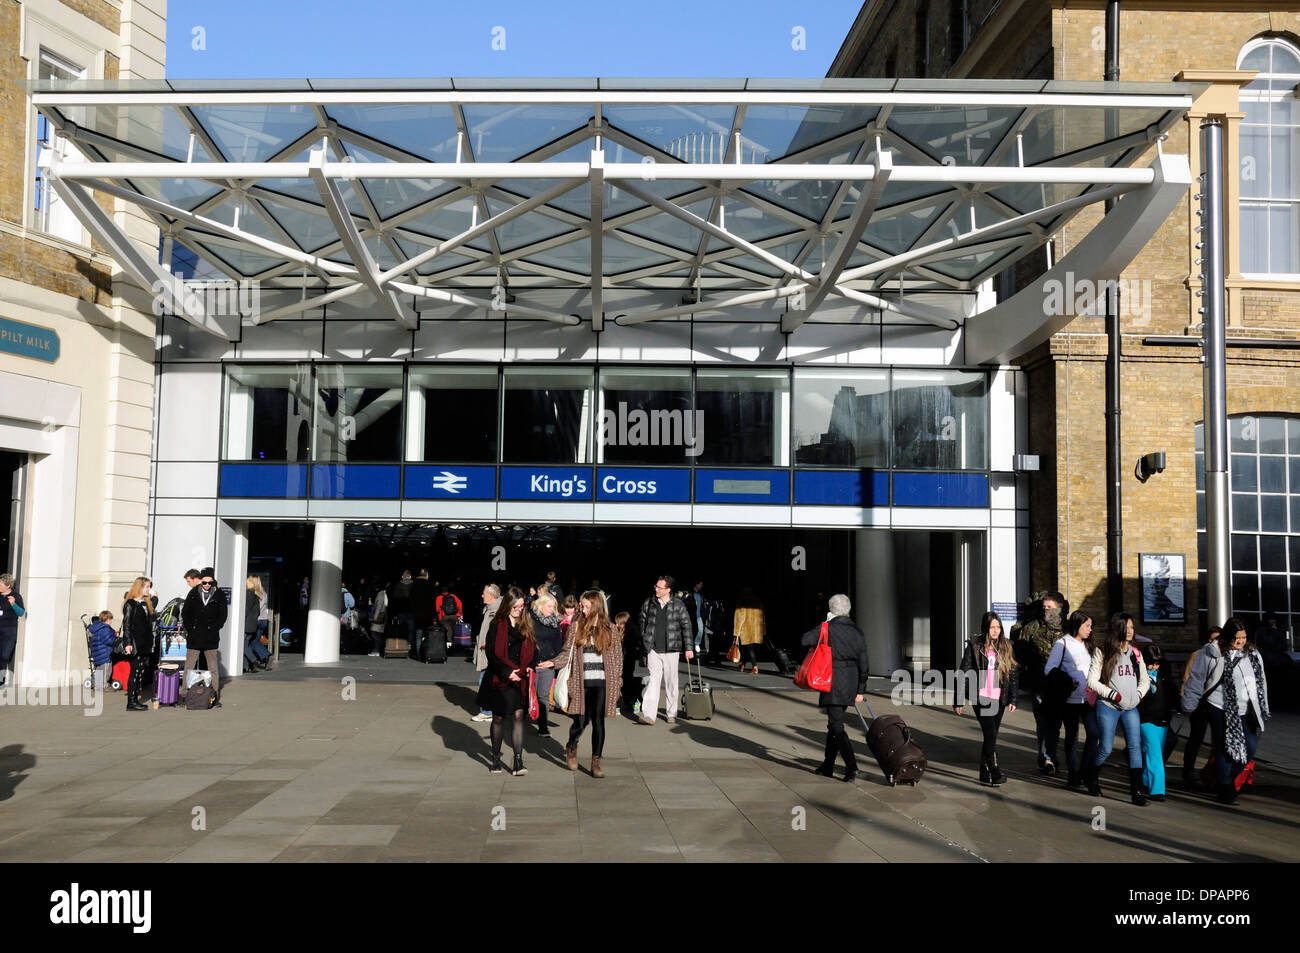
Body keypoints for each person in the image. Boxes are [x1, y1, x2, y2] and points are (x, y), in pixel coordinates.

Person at [539, 590, 623, 778]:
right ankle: (571, 745)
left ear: (596, 606)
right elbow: (566, 651)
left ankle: (596, 762)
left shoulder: (610, 628)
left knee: (599, 722)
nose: (582, 610)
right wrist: (553, 662)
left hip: (602, 682)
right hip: (581, 681)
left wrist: (617, 682)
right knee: (580, 720)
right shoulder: (576, 626)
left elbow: (618, 659)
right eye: (581, 606)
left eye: (585, 606)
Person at [1199, 617, 1270, 806]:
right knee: (1224, 748)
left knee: (1251, 747)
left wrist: (1264, 707)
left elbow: (1260, 680)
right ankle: (1225, 787)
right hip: (1219, 706)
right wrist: (1189, 704)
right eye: (1237, 637)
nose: (1240, 641)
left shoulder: (1253, 653)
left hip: (1246, 708)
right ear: (1228, 636)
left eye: (1244, 637)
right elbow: (1197, 677)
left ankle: (1227, 778)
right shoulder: (1214, 652)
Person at [1084, 613, 1150, 805]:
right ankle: (1091, 777)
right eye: (1126, 627)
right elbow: (1091, 681)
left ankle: (1136, 792)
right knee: (1105, 747)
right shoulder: (1103, 651)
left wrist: (1138, 694)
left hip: (1131, 708)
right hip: (1108, 706)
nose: (1129, 631)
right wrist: (1113, 694)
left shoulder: (1136, 653)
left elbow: (1145, 679)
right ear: (1117, 628)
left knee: (1134, 747)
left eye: (1131, 627)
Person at [802, 594, 869, 781]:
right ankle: (827, 765)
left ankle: (852, 766)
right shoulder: (858, 631)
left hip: (832, 680)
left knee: (837, 725)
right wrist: (861, 689)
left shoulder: (828, 628)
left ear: (831, 610)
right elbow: (864, 663)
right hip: (851, 681)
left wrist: (825, 624)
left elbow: (805, 640)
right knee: (833, 724)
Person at [476, 586, 536, 776]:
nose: (519, 610)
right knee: (499, 717)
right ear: (508, 605)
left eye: (521, 607)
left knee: (519, 716)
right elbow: (492, 654)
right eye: (515, 607)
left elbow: (534, 649)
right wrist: (507, 672)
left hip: (521, 677)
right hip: (500, 677)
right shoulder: (497, 624)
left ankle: (518, 760)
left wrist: (529, 666)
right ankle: (495, 758)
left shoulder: (526, 622)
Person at [954, 610, 1019, 785]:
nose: (996, 630)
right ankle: (995, 771)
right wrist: (958, 699)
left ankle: (984, 773)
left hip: (998, 698)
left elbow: (1013, 673)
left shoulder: (1006, 646)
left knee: (991, 736)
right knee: (990, 733)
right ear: (985, 628)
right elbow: (964, 672)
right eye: (992, 627)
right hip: (980, 697)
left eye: (998, 627)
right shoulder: (975, 646)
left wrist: (1013, 698)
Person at [1011, 591, 1066, 774]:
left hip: (1062, 686)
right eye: (1044, 608)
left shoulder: (1067, 629)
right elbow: (1017, 645)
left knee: (1055, 724)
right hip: (1040, 683)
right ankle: (1046, 758)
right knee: (1043, 723)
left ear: (1059, 608)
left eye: (1049, 608)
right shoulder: (1034, 626)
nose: (1045, 611)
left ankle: (1051, 755)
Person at [1042, 610, 1094, 789]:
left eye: (1091, 626)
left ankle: (1085, 771)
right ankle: (1073, 774)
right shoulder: (1062, 643)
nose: (1090, 629)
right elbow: (1050, 669)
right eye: (1087, 625)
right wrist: (1067, 682)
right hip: (1069, 700)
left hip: (1088, 699)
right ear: (1077, 625)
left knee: (1094, 734)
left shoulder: (1089, 645)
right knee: (1072, 736)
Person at [636, 574, 694, 726]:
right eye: (656, 586)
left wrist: (689, 648)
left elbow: (686, 626)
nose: (656, 589)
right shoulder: (649, 603)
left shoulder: (678, 605)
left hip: (671, 650)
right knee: (653, 682)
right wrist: (644, 639)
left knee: (671, 683)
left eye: (659, 587)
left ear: (668, 589)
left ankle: (671, 713)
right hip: (653, 649)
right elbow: (641, 621)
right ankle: (649, 715)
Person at [1180, 625, 1221, 789]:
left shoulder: (1226, 655)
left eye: (1218, 638)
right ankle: (1188, 771)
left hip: (1218, 704)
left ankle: (1214, 772)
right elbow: (1187, 679)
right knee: (1196, 738)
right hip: (1200, 705)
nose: (1215, 642)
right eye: (1212, 639)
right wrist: (1187, 704)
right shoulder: (1198, 655)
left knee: (1218, 740)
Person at [181, 567, 227, 707]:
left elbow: (223, 615)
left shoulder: (219, 595)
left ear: (213, 582)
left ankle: (214, 695)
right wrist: (191, 628)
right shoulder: (193, 593)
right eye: (204, 582)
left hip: (211, 637)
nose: (207, 585)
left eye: (209, 583)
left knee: (213, 667)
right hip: (195, 636)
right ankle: (184, 694)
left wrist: (214, 628)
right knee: (189, 666)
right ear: (201, 581)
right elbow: (185, 613)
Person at [1137, 642, 1172, 802]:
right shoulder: (1138, 675)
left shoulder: (1164, 674)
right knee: (1155, 754)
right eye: (1151, 663)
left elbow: (1172, 694)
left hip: (1162, 720)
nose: (1154, 666)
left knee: (1150, 753)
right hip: (1145, 719)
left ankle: (1145, 781)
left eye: (1157, 663)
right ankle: (1157, 789)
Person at [530, 591, 564, 737]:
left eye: (554, 606)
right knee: (531, 694)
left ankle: (543, 727)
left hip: (547, 664)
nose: (552, 609)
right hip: (532, 664)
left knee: (543, 695)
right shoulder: (531, 619)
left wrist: (552, 661)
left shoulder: (555, 622)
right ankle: (529, 716)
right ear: (541, 605)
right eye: (549, 606)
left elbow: (559, 645)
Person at [120, 577, 154, 711]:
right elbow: (126, 624)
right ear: (140, 587)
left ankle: (135, 700)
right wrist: (127, 642)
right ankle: (131, 702)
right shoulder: (130, 604)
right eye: (147, 587)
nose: (149, 589)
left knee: (141, 671)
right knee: (135, 671)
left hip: (145, 642)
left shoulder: (146, 603)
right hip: (135, 642)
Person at [472, 583, 500, 722]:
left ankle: (487, 711)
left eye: (484, 593)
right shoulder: (488, 609)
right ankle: (488, 710)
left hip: (490, 653)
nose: (482, 595)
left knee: (485, 680)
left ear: (491, 595)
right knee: (486, 680)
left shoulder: (496, 611)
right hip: (486, 651)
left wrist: (488, 643)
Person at [0, 573, 26, 687]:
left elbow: (21, 613)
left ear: (8, 585)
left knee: (5, 655)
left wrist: (13, 604)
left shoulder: (16, 596)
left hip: (9, 630)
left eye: (1, 584)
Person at [614, 611, 640, 715]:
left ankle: (633, 701)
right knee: (621, 682)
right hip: (620, 660)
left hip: (628, 660)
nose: (616, 625)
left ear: (624, 623)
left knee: (627, 681)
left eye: (618, 623)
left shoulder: (631, 635)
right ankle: (627, 701)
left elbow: (631, 649)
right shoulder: (617, 633)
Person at [733, 589, 765, 675]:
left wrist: (736, 633)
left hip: (746, 629)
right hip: (756, 630)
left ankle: (755, 667)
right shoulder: (758, 602)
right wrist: (763, 630)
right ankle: (743, 665)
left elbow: (739, 619)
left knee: (749, 649)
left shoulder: (742, 603)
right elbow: (763, 618)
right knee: (749, 648)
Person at [244, 575, 268, 673]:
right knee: (252, 642)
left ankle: (259, 658)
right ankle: (247, 666)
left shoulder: (252, 593)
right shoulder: (263, 593)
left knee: (249, 643)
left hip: (255, 621)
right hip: (263, 619)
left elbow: (249, 610)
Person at [88, 610, 117, 687]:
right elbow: (108, 640)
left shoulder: (97, 627)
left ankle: (97, 684)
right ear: (107, 619)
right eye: (111, 619)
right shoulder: (105, 628)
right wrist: (116, 639)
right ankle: (104, 684)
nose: (111, 621)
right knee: (106, 670)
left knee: (99, 669)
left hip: (98, 652)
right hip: (105, 652)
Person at [437, 586, 462, 652]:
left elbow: (437, 609)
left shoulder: (439, 598)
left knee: (447, 629)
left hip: (444, 617)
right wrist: (460, 614)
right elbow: (460, 604)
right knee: (452, 630)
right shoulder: (453, 596)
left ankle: (447, 645)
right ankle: (453, 645)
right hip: (454, 616)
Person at [368, 578, 388, 657]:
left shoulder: (380, 594)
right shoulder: (384, 593)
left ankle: (378, 649)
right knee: (378, 634)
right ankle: (379, 649)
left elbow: (379, 606)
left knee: (374, 633)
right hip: (383, 615)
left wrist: (374, 617)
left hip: (379, 615)